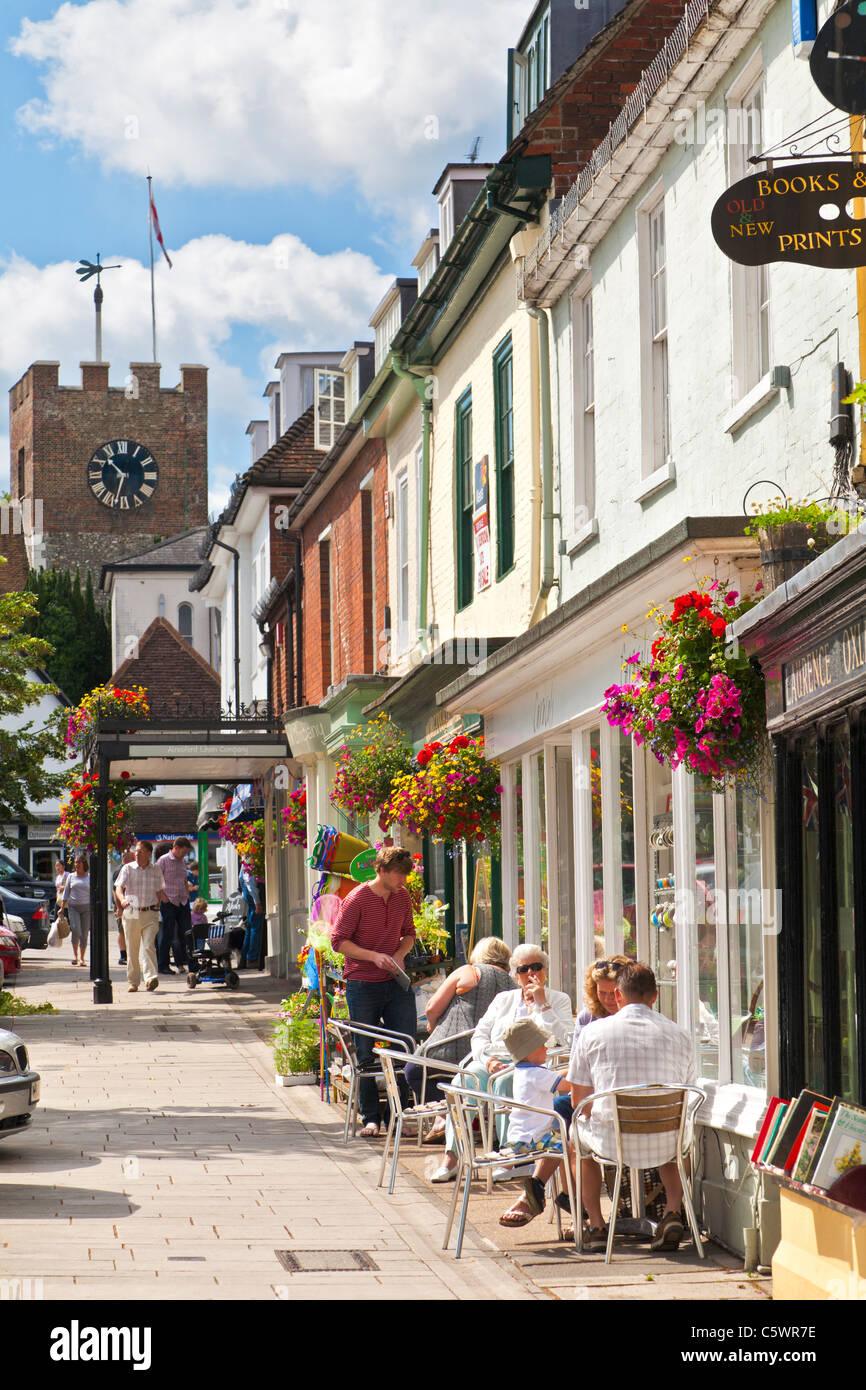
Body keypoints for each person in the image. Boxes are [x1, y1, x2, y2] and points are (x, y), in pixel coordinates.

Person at [568, 960, 697, 1252]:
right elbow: (687, 1095)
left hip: (613, 1143)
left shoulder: (593, 1033)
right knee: (681, 1135)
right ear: (655, 996)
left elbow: (579, 1103)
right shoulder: (681, 1035)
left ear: (617, 995)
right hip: (666, 1143)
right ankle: (672, 1211)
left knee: (577, 1138)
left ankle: (597, 1225)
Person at [499, 954, 630, 1226]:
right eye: (601, 992)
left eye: (612, 992)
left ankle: (546, 1195)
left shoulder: (633, 1018)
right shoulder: (588, 1017)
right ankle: (567, 1203)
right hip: (588, 1091)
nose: (607, 999)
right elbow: (577, 1061)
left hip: (616, 1095)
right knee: (560, 1114)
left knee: (569, 1130)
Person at [431, 943, 574, 1182]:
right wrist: (487, 1060)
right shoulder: (503, 999)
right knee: (463, 1080)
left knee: (509, 1081)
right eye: (523, 969)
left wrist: (542, 1004)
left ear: (546, 971)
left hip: (533, 1064)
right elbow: (480, 1035)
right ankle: (453, 1156)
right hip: (495, 1059)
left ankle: (511, 1158)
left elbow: (564, 1039)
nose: (530, 974)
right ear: (515, 975)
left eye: (536, 967)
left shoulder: (557, 999)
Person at [329, 845, 417, 1138]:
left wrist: (400, 953)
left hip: (395, 980)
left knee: (403, 1046)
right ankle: (371, 1117)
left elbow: (409, 933)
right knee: (366, 1051)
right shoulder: (357, 899)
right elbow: (338, 942)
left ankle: (398, 1115)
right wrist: (373, 956)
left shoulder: (402, 896)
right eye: (398, 874)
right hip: (363, 983)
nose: (403, 880)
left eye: (405, 875)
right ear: (380, 870)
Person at [406, 935, 516, 1134]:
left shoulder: (469, 971)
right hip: (488, 1057)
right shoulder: (513, 985)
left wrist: (432, 1024)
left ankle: (446, 1116)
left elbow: (431, 1008)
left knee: (413, 1070)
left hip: (451, 1049)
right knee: (459, 1077)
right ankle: (467, 1117)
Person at [114, 840, 167, 993]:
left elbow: (159, 891)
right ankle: (134, 981)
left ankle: (151, 978)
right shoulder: (128, 868)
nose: (137, 854)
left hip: (150, 912)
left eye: (141, 851)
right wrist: (122, 900)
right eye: (136, 851)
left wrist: (159, 907)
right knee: (132, 948)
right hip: (132, 911)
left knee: (149, 946)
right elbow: (119, 888)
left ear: (149, 854)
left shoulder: (156, 870)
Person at [156, 838, 193, 974]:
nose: (184, 855)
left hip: (183, 901)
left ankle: (192, 964)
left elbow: (184, 878)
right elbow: (156, 880)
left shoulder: (182, 861)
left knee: (188, 933)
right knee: (168, 934)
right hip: (169, 901)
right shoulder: (163, 860)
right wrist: (163, 898)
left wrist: (187, 893)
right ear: (176, 847)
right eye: (183, 852)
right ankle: (163, 965)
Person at [60, 855, 91, 967]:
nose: (76, 865)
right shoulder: (71, 877)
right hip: (73, 907)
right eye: (75, 862)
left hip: (87, 908)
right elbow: (66, 892)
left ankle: (82, 958)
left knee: (84, 933)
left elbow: (93, 893)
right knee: (76, 930)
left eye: (79, 862)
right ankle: (75, 955)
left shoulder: (89, 877)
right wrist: (62, 908)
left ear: (84, 864)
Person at [112, 848, 135, 966]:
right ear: (127, 859)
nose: (136, 860)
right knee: (122, 930)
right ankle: (123, 955)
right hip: (121, 905)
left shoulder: (129, 869)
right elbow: (115, 891)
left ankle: (128, 954)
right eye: (133, 858)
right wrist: (119, 908)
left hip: (130, 904)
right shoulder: (120, 871)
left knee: (129, 930)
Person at [239, 862, 264, 969]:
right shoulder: (250, 856)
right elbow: (249, 881)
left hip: (248, 892)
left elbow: (241, 878)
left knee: (250, 927)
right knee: (255, 927)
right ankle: (252, 958)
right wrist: (257, 902)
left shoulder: (245, 855)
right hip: (252, 893)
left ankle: (244, 958)